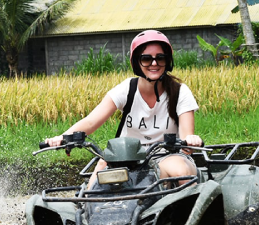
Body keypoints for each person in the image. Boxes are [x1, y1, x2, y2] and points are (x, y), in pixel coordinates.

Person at [45, 30, 203, 187]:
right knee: (101, 170)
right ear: (137, 62)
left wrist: (191, 140)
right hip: (126, 157)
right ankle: (85, 206)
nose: (154, 63)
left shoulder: (180, 91)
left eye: (160, 58)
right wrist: (63, 137)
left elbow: (186, 137)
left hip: (167, 155)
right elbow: (92, 121)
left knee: (181, 171)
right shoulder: (127, 89)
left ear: (167, 61)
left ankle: (189, 209)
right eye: (146, 59)